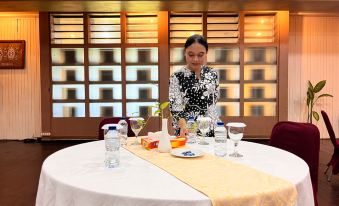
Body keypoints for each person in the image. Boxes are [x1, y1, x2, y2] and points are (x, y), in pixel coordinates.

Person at [169, 34, 219, 138]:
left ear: (206, 54)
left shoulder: (213, 74)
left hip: (212, 128)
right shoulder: (177, 76)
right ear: (185, 53)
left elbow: (214, 102)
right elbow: (175, 107)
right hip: (188, 130)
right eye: (191, 55)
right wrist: (184, 127)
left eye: (200, 55)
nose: (195, 59)